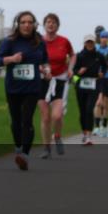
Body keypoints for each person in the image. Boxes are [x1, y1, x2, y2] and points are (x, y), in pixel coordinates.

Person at [0, 11, 50, 170]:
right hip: (13, 87)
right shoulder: (10, 41)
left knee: (27, 120)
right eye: (23, 22)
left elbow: (45, 60)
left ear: (34, 24)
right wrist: (12, 59)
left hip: (32, 87)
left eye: (30, 22)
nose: (26, 25)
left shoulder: (39, 41)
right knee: (15, 121)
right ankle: (18, 148)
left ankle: (24, 154)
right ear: (18, 24)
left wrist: (47, 70)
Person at [38, 13, 74, 158]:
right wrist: (40, 68)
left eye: (53, 22)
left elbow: (73, 55)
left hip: (59, 80)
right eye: (48, 22)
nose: (51, 24)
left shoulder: (64, 41)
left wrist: (71, 68)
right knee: (46, 117)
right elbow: (31, 56)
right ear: (44, 25)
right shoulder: (38, 41)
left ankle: (57, 136)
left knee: (57, 116)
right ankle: (46, 148)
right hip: (42, 81)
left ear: (57, 25)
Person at [72, 35, 106, 145]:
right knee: (82, 111)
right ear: (84, 43)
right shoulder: (79, 56)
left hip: (93, 84)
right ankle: (84, 133)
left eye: (91, 42)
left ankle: (89, 136)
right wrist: (79, 72)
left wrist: (102, 73)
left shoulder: (99, 55)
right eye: (88, 42)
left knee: (89, 110)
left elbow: (105, 66)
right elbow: (73, 70)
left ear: (94, 43)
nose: (90, 44)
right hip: (81, 85)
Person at [93, 30, 108, 137]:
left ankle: (104, 127)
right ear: (100, 38)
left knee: (106, 103)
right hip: (97, 78)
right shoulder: (96, 48)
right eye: (102, 37)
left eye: (106, 37)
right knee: (98, 102)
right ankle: (96, 127)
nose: (104, 39)